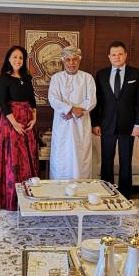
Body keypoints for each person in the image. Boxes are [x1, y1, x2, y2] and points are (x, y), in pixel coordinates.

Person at [0, 46, 38, 210]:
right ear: (9, 59)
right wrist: (14, 123)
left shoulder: (27, 77)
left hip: (27, 124)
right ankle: (11, 199)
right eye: (14, 57)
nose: (18, 60)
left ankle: (27, 199)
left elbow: (32, 100)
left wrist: (34, 118)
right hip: (10, 124)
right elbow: (2, 102)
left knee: (27, 159)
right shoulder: (5, 78)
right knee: (13, 159)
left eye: (21, 58)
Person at [91, 41, 139, 198]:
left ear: (125, 55)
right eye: (114, 54)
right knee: (106, 161)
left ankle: (125, 194)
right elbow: (97, 102)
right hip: (106, 125)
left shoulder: (136, 74)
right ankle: (107, 192)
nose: (117, 57)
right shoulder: (101, 74)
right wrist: (95, 123)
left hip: (128, 125)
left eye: (120, 54)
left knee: (125, 160)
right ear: (109, 57)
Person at [48, 46, 97, 179]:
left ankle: (81, 188)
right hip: (62, 124)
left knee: (80, 158)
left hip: (81, 124)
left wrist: (74, 112)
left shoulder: (87, 78)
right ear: (63, 61)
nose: (71, 63)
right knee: (61, 157)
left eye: (74, 59)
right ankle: (60, 188)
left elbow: (91, 100)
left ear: (79, 60)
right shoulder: (56, 78)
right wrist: (70, 109)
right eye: (68, 60)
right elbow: (53, 99)